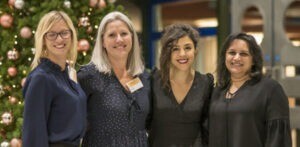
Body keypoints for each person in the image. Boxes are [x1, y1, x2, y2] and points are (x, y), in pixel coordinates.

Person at [77, 11, 151, 146]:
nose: (119, 39)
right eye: (112, 35)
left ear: (132, 38)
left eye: (124, 33)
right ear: (103, 42)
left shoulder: (144, 77)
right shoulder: (88, 76)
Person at [209, 32, 292, 147]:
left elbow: (278, 138)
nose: (237, 57)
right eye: (232, 53)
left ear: (253, 60)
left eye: (244, 54)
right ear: (224, 57)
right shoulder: (218, 90)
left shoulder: (270, 89)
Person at [22, 11, 87, 147]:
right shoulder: (41, 78)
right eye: (51, 34)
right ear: (43, 40)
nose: (59, 39)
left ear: (71, 35)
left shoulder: (66, 74)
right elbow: (34, 134)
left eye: (64, 32)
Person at [148, 24, 214, 147]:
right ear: (168, 52)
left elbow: (208, 127)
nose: (182, 54)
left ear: (196, 50)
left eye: (187, 48)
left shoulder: (206, 83)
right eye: (175, 49)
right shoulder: (153, 80)